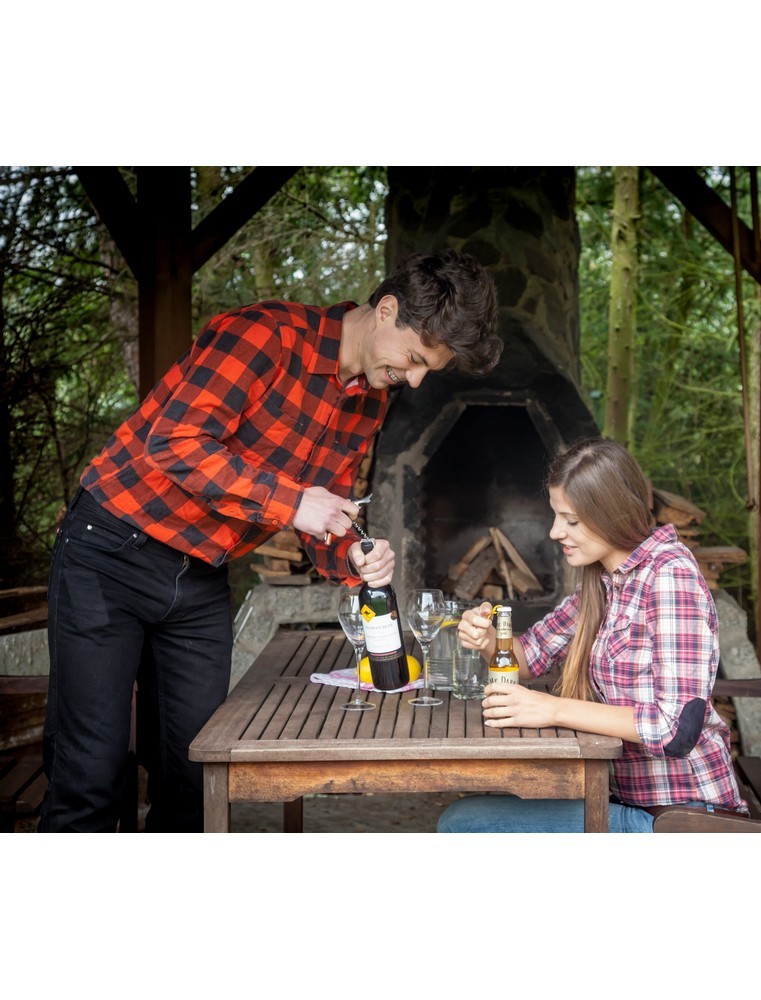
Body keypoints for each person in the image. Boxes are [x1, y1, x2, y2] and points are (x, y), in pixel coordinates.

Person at [40, 248, 502, 833]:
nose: (414, 380)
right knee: (90, 776)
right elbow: (175, 442)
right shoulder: (265, 335)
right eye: (413, 359)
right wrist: (293, 503)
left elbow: (325, 508)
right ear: (386, 310)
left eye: (427, 371)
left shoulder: (369, 399)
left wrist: (351, 552)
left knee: (195, 775)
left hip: (200, 575)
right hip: (110, 551)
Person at [437, 437, 747, 833]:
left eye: (570, 520)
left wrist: (552, 709)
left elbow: (676, 730)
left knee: (463, 824)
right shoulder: (604, 582)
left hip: (679, 816)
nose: (554, 532)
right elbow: (529, 655)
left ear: (610, 513)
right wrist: (487, 641)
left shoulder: (669, 576)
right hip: (622, 795)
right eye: (556, 516)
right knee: (475, 811)